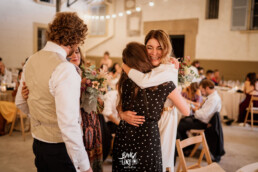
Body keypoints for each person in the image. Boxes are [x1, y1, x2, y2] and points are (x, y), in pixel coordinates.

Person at [15, 12, 92, 172]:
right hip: (61, 150)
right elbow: (69, 125)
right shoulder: (64, 68)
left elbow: (20, 102)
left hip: (38, 144)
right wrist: (84, 167)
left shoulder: (30, 61)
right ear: (75, 39)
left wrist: (40, 117)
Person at [112, 42, 189, 171]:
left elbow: (118, 105)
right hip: (147, 141)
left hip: (124, 137)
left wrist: (122, 114)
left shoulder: (124, 81)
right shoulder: (165, 84)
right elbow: (186, 111)